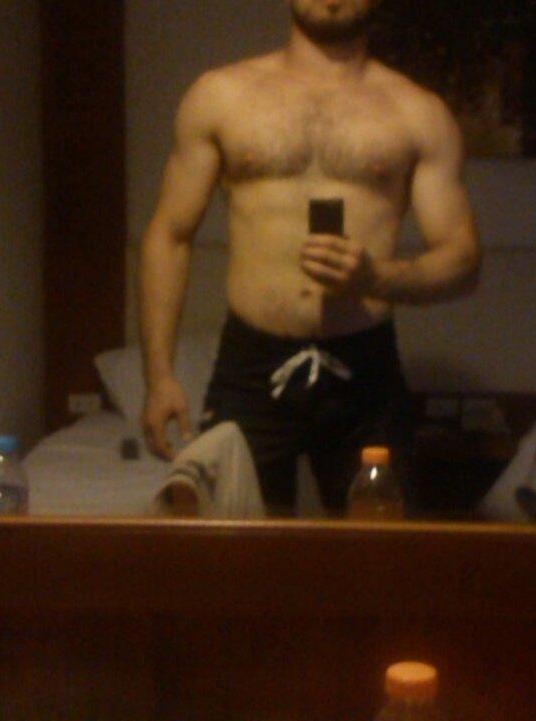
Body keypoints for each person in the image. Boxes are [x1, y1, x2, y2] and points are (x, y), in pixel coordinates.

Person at [139, 0, 481, 517]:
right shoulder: (221, 96)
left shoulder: (418, 113)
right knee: (236, 552)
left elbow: (463, 260)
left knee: (380, 551)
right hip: (251, 367)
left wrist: (377, 277)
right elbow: (170, 235)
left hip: (365, 372)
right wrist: (160, 376)